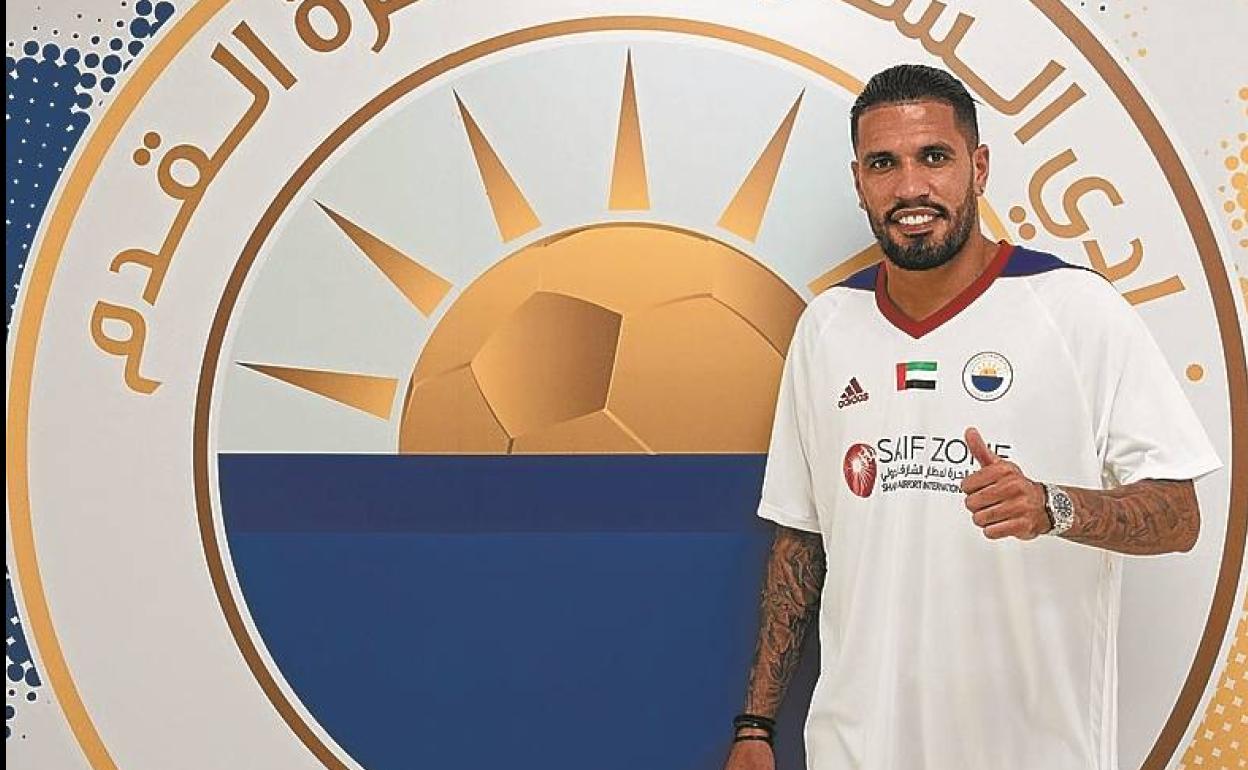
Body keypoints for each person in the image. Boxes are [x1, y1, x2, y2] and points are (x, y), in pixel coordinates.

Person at [723, 64, 1222, 770]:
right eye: (883, 164)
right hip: (856, 749)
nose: (910, 188)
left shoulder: (1075, 309)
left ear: (978, 167)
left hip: (1030, 751)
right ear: (859, 180)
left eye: (934, 157)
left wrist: (1052, 507)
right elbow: (801, 541)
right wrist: (756, 725)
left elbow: (1179, 515)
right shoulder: (827, 326)